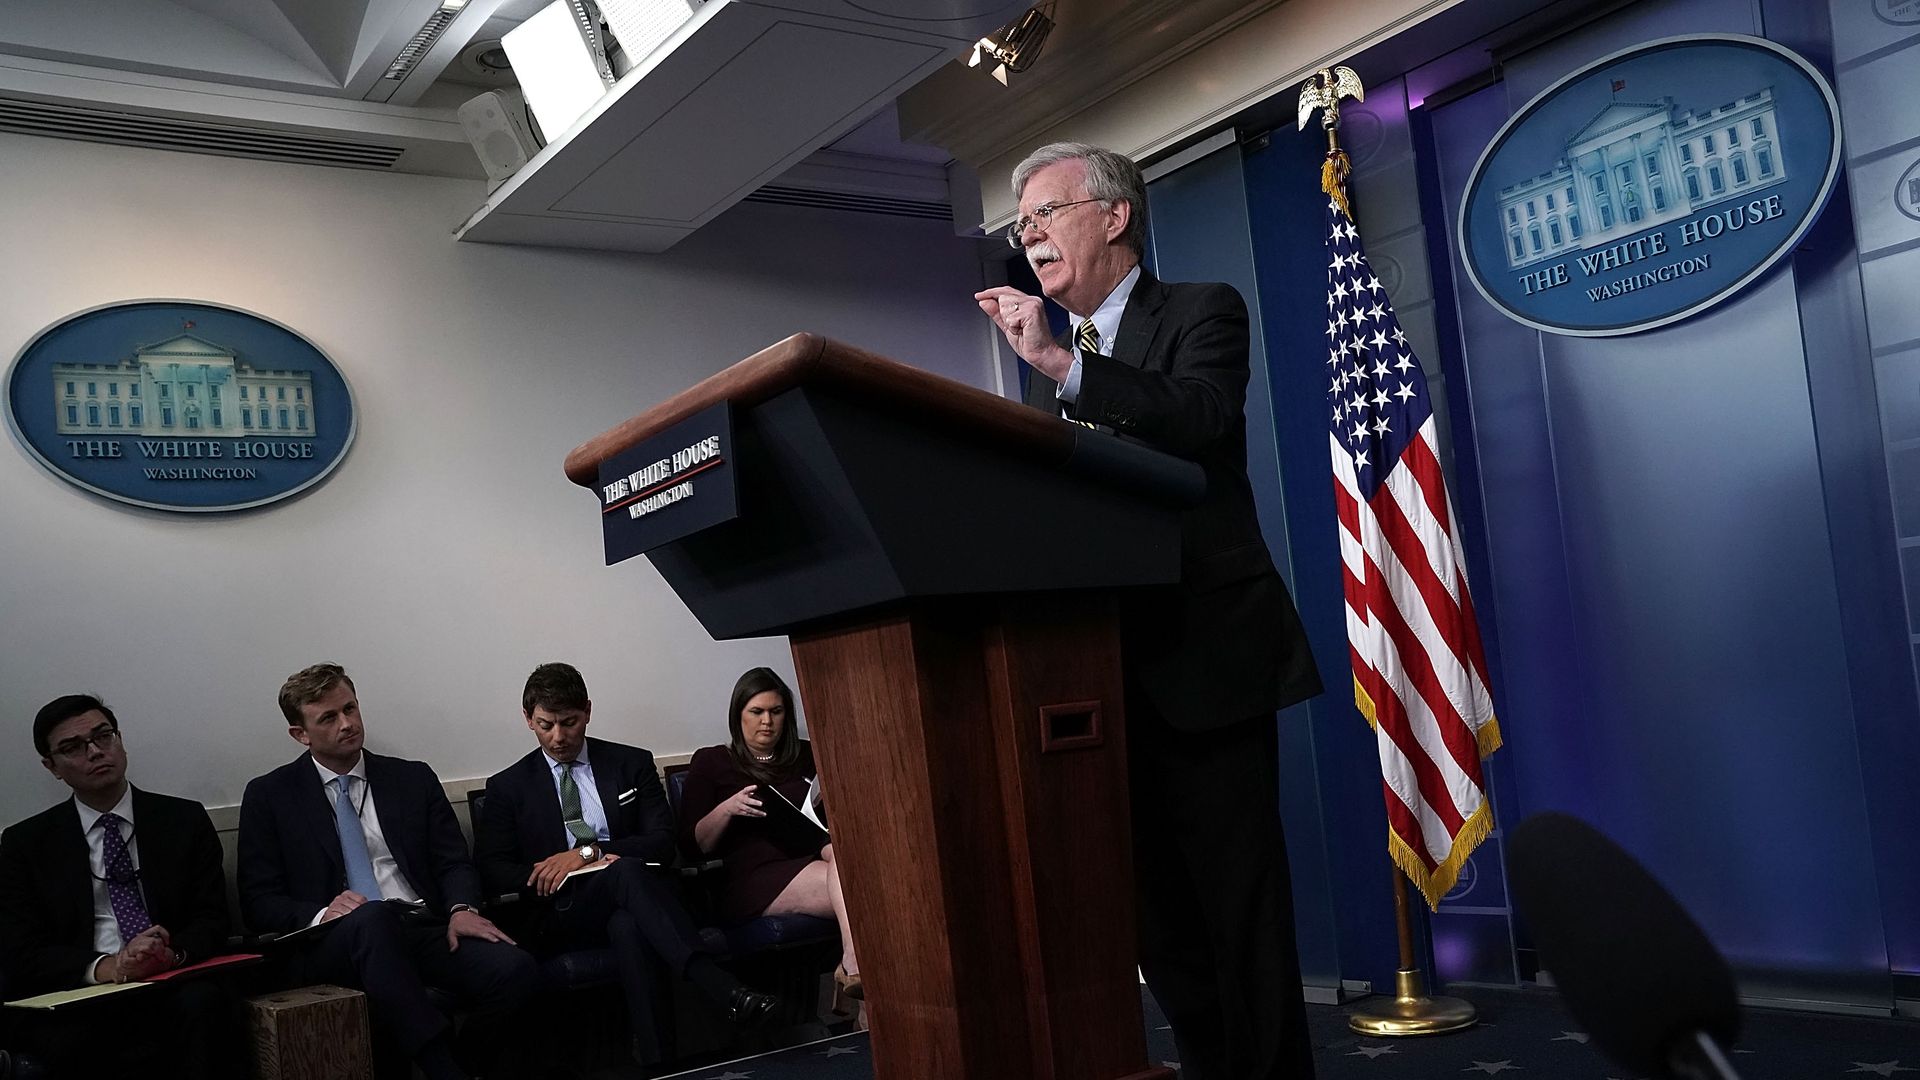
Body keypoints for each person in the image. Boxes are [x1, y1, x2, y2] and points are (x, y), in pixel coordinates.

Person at [974, 141, 1324, 1080]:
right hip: (1100, 683)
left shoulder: (1201, 311)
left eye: (1045, 215)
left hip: (1207, 666)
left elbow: (1199, 417)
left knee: (1239, 919)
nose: (1030, 236)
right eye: (1023, 226)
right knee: (1162, 930)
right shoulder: (1061, 366)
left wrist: (1059, 364)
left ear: (1115, 216)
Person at [236, 664, 538, 1080]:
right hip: (333, 943)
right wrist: (324, 914)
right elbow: (259, 900)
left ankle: (465, 1067)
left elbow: (452, 861)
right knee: (372, 917)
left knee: (514, 970)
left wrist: (462, 907)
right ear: (299, 734)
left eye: (350, 708)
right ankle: (442, 1070)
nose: (348, 724)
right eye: (329, 717)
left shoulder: (411, 778)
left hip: (418, 926)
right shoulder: (270, 795)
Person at [473, 662, 776, 1068]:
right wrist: (556, 870)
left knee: (627, 918)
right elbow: (493, 869)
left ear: (588, 711)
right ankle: (722, 988)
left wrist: (588, 852)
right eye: (546, 725)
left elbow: (662, 842)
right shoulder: (508, 786)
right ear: (527, 719)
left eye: (569, 722)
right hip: (562, 911)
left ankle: (659, 1067)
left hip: (639, 898)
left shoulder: (630, 763)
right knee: (625, 874)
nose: (559, 737)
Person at [0, 695, 244, 1080]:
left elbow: (212, 917)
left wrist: (171, 954)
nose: (95, 752)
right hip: (81, 991)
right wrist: (107, 967)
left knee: (205, 1005)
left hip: (169, 981)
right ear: (52, 767)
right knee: (68, 1040)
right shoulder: (25, 844)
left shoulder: (182, 820)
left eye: (103, 736)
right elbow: (23, 951)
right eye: (73, 747)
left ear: (120, 739)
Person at [677, 668, 859, 1003]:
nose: (767, 722)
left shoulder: (807, 756)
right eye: (757, 712)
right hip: (751, 877)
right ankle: (853, 968)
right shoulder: (714, 761)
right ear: (739, 715)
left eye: (776, 712)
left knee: (847, 859)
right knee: (860, 886)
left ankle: (856, 977)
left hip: (813, 853)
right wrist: (727, 808)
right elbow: (691, 845)